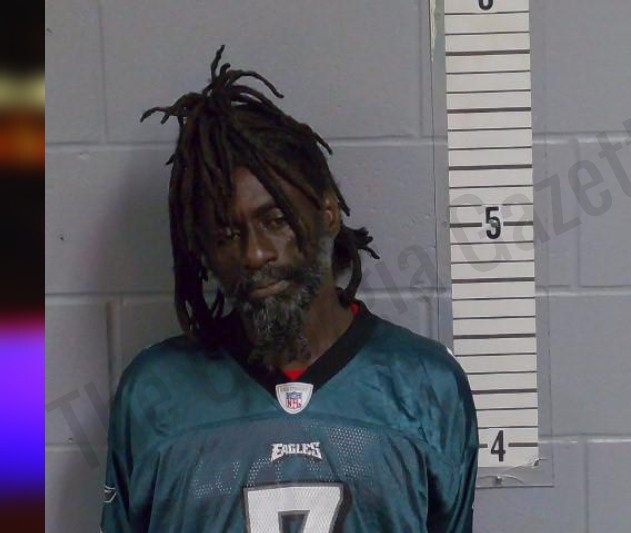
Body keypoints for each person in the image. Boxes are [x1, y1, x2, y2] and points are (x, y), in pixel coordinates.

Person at [100, 46, 478, 532]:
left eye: (275, 220)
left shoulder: (426, 386)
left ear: (327, 213)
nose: (255, 254)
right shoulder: (155, 394)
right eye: (226, 234)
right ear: (203, 249)